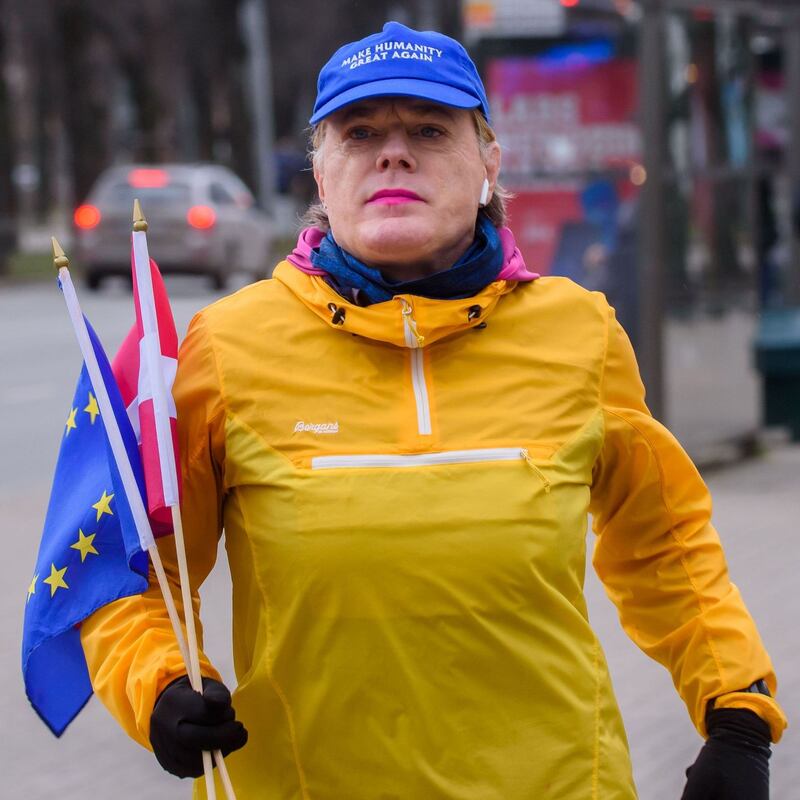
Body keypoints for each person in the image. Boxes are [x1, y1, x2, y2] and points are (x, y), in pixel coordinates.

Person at [81, 21, 787, 799]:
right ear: (321, 175)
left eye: (428, 129)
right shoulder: (226, 346)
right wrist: (160, 685)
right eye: (360, 133)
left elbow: (663, 544)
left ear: (488, 165)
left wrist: (737, 712)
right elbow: (140, 568)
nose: (394, 154)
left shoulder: (579, 332)